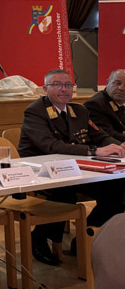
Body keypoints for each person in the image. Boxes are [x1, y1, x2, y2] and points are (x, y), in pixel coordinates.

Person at [18, 68, 125, 266]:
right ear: (45, 89)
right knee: (64, 195)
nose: (63, 89)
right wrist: (94, 151)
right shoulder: (35, 111)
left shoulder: (79, 110)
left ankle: (86, 236)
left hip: (77, 170)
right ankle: (39, 238)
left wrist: (118, 146)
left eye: (68, 85)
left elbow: (98, 134)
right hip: (43, 172)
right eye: (57, 85)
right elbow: (51, 146)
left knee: (116, 189)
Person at [84, 69, 125, 143]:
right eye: (117, 83)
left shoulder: (119, 102)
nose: (121, 88)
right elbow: (108, 134)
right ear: (107, 82)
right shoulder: (95, 104)